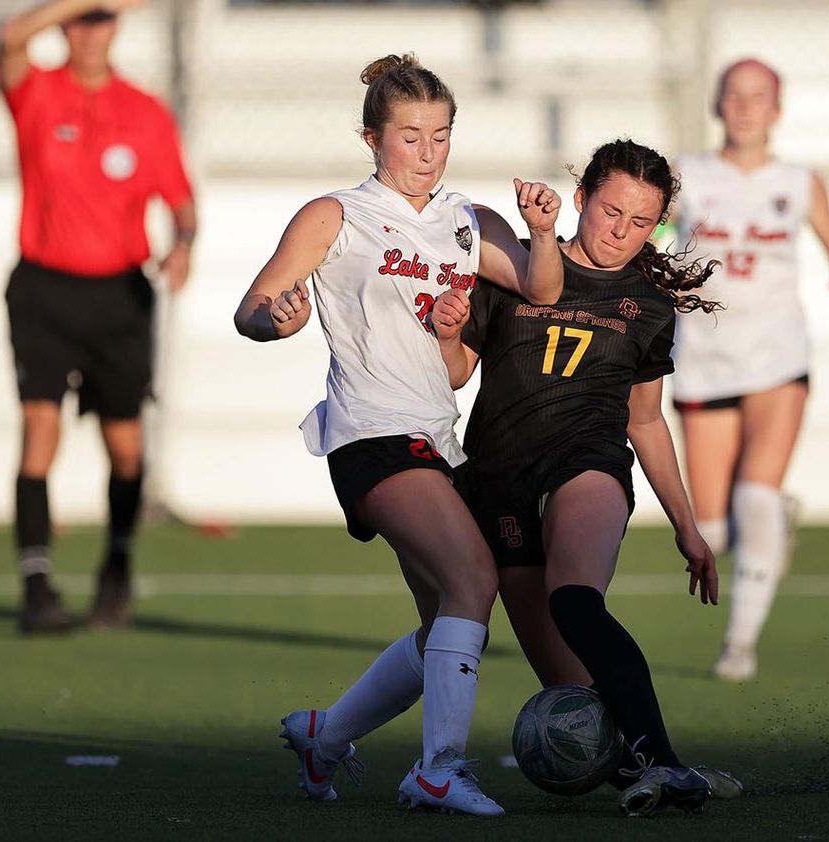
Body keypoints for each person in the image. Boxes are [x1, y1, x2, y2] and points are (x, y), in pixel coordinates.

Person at [233, 54, 563, 816]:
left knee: (444, 619)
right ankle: (440, 768)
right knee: (474, 580)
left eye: (441, 135)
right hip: (369, 436)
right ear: (372, 138)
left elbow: (540, 286)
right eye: (410, 136)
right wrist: (273, 321)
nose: (427, 152)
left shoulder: (465, 219)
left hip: (436, 441)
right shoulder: (335, 215)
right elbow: (253, 306)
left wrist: (543, 231)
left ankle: (326, 734)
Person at [434, 138, 742, 817]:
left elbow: (646, 422)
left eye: (642, 222)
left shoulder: (649, 303)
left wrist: (688, 527)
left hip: (588, 463)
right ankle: (646, 766)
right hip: (499, 477)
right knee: (579, 703)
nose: (622, 233)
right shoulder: (515, 265)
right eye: (611, 213)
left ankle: (666, 766)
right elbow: (457, 374)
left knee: (575, 601)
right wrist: (448, 335)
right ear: (580, 200)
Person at [0, 0, 197, 634]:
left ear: (118, 27)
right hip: (44, 291)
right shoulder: (37, 92)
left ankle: (116, 565)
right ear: (63, 23)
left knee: (125, 446)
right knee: (39, 430)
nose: (91, 29)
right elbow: (9, 37)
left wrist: (184, 243)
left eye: (104, 16)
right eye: (82, 16)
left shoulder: (143, 111)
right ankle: (36, 586)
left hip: (118, 297)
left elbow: (182, 201)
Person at [671, 58, 829, 681]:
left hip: (778, 357)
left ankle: (739, 646)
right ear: (717, 105)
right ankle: (773, 520)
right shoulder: (686, 177)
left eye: (760, 97)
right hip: (701, 358)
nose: (746, 107)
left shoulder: (800, 182)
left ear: (778, 110)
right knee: (715, 530)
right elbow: (656, 236)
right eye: (735, 96)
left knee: (755, 493)